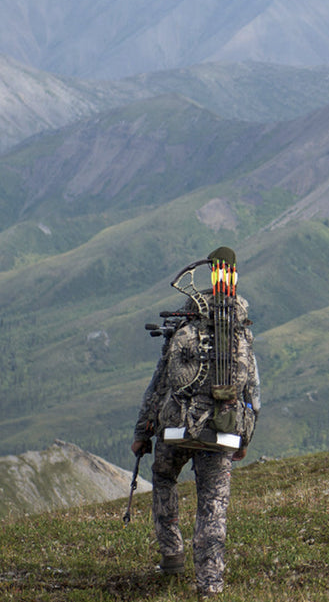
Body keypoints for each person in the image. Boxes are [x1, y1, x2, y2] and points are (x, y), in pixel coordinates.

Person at [132, 246, 259, 597]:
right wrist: (244, 439)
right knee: (212, 507)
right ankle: (210, 585)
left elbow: (159, 386)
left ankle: (171, 553)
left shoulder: (184, 328)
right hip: (221, 431)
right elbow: (252, 393)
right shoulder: (240, 335)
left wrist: (142, 432)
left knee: (163, 476)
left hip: (176, 429)